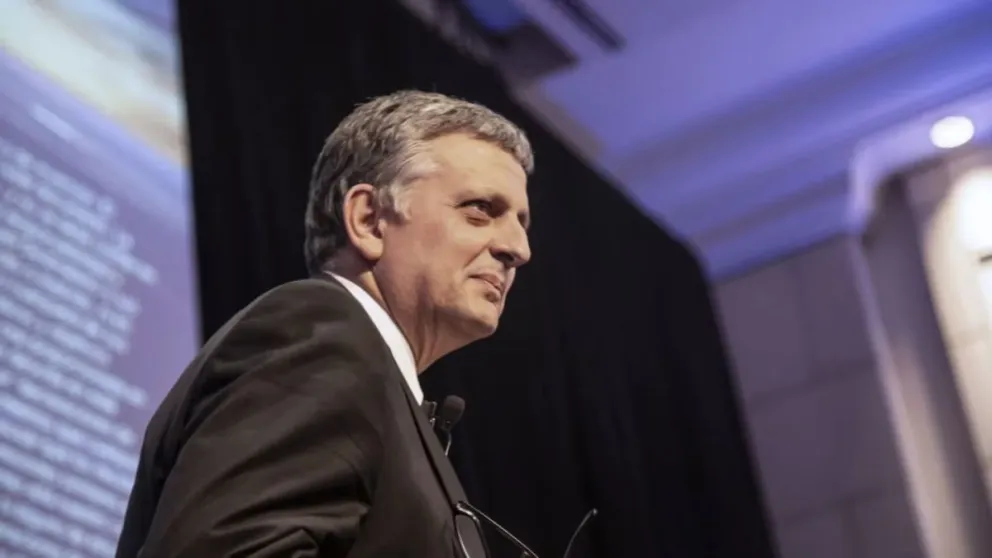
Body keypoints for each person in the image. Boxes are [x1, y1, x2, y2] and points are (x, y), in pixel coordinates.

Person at [115, 90, 534, 557]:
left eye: (522, 223)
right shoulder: (323, 336)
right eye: (480, 209)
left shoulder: (371, 379)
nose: (518, 249)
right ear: (369, 220)